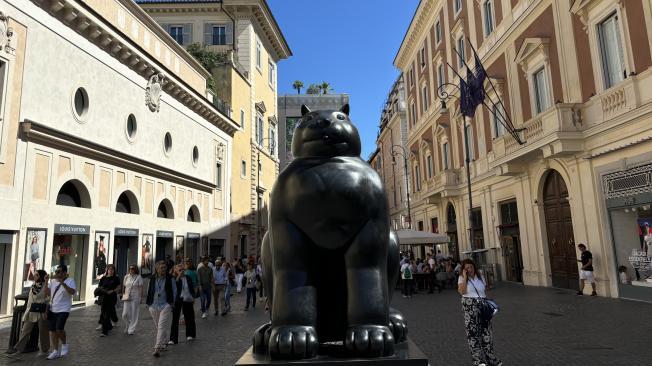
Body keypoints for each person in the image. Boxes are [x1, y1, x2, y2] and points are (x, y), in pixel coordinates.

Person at [458, 258, 501, 366]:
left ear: (474, 267)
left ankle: (491, 359)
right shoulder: (461, 278)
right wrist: (465, 277)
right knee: (473, 335)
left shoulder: (480, 277)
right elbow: (461, 291)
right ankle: (478, 361)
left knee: (487, 334)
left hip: (482, 307)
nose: (469, 269)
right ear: (464, 269)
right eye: (466, 268)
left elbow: (484, 290)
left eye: (471, 267)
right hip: (469, 308)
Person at [7, 270, 50, 355]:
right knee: (25, 331)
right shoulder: (33, 286)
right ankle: (19, 350)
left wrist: (46, 282)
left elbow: (47, 298)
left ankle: (45, 350)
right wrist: (26, 312)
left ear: (41, 276)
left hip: (41, 311)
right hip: (31, 311)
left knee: (43, 331)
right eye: (35, 274)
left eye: (37, 275)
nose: (34, 276)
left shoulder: (46, 286)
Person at [146, 261, 176, 357]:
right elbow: (149, 290)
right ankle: (164, 342)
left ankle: (157, 348)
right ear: (157, 269)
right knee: (158, 326)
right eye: (162, 267)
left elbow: (175, 291)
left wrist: (171, 303)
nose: (164, 269)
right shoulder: (152, 279)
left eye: (165, 267)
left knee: (161, 325)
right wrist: (148, 303)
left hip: (165, 305)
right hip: (153, 305)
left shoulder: (170, 278)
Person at [46, 265, 76, 360]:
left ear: (64, 272)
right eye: (56, 272)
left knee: (59, 329)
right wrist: (46, 282)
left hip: (64, 309)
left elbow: (72, 292)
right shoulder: (53, 281)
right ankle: (55, 351)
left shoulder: (70, 281)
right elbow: (47, 293)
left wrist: (63, 283)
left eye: (59, 272)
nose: (57, 274)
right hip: (53, 308)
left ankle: (64, 344)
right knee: (52, 331)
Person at [169, 265, 196, 344]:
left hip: (187, 298)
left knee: (189, 317)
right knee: (175, 319)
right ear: (175, 271)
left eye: (183, 269)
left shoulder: (188, 277)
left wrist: (193, 297)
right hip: (178, 299)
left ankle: (190, 334)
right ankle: (173, 339)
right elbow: (174, 289)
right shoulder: (173, 278)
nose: (182, 271)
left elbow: (191, 287)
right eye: (180, 270)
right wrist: (178, 278)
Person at [97, 264, 121, 337]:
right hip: (104, 297)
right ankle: (111, 324)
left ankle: (104, 331)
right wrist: (103, 290)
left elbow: (119, 287)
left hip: (112, 297)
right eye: (109, 269)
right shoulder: (103, 278)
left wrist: (113, 290)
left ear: (114, 270)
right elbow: (99, 286)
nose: (111, 271)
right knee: (106, 312)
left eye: (112, 269)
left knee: (106, 314)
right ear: (107, 270)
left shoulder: (116, 278)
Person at [122, 264, 143, 335]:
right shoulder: (126, 277)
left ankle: (131, 329)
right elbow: (124, 286)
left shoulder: (139, 277)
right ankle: (128, 325)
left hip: (135, 296)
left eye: (133, 268)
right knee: (125, 314)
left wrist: (140, 297)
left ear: (136, 269)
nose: (131, 270)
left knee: (134, 313)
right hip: (127, 296)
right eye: (130, 268)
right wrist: (123, 294)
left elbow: (140, 288)